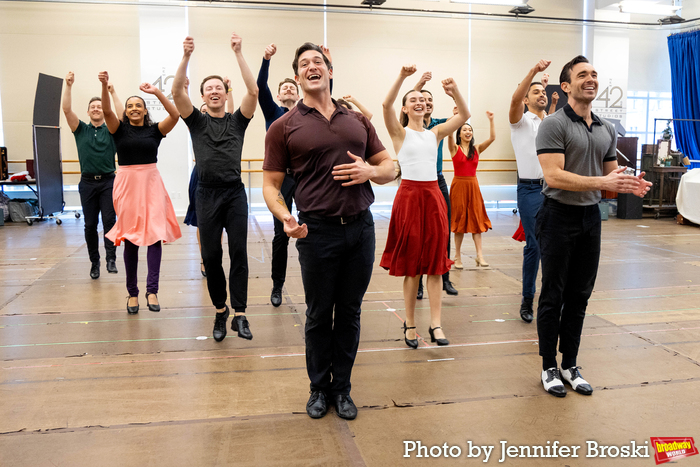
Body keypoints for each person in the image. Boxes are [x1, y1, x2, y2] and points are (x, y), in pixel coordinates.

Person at [263, 42, 395, 420]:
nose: (311, 67)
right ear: (298, 76)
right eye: (303, 64)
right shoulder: (284, 126)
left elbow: (389, 167)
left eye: (317, 61)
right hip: (316, 232)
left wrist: (372, 172)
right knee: (320, 314)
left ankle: (343, 388)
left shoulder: (357, 121)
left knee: (350, 312)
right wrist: (284, 215)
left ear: (330, 71)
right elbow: (271, 185)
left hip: (360, 230)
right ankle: (319, 388)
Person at [535, 55, 651, 397]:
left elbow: (611, 176)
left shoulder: (606, 127)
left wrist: (629, 183)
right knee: (553, 295)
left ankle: (570, 364)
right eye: (582, 74)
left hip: (590, 218)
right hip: (557, 215)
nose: (591, 79)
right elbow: (553, 175)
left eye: (594, 74)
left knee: (580, 296)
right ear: (567, 85)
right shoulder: (553, 124)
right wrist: (603, 181)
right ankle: (548, 367)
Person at [172, 33, 258, 342]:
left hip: (234, 193)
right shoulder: (196, 121)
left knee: (238, 252)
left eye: (218, 88)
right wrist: (185, 57)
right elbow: (175, 92)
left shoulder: (238, 121)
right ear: (203, 96)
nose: (214, 92)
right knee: (210, 256)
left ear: (224, 93)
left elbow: (253, 90)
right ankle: (221, 311)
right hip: (206, 194)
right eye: (208, 89)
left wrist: (238, 52)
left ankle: (240, 313)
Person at [380, 65, 469, 349]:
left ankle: (436, 324)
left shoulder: (435, 133)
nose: (419, 102)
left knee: (435, 265)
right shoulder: (399, 133)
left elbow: (465, 116)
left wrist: (454, 91)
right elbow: (385, 104)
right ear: (406, 108)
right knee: (412, 268)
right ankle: (410, 323)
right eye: (413, 100)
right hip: (409, 196)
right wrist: (403, 77)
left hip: (433, 197)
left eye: (423, 100)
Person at [99, 72, 182, 314]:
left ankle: (152, 290)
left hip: (151, 184)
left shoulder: (155, 130)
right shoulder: (119, 130)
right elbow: (106, 112)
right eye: (130, 106)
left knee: (155, 236)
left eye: (139, 105)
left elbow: (175, 115)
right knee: (131, 238)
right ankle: (132, 294)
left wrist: (156, 92)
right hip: (127, 185)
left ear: (145, 111)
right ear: (125, 112)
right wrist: (105, 86)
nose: (134, 108)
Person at [62, 71, 123, 279]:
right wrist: (68, 85)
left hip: (108, 182)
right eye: (93, 107)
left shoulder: (112, 130)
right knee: (89, 224)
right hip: (87, 183)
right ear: (88, 112)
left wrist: (112, 92)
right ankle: (94, 263)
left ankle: (111, 259)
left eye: (99, 106)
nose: (97, 109)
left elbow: (121, 115)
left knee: (109, 221)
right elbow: (66, 109)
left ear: (103, 111)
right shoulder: (80, 129)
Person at [257, 42, 301, 308]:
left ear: (298, 94)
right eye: (284, 88)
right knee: (280, 235)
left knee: (314, 230)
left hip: (304, 179)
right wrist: (266, 60)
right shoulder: (273, 112)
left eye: (292, 87)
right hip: (280, 180)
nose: (288, 89)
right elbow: (260, 88)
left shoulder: (307, 112)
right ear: (279, 94)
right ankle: (277, 285)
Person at [509, 60, 551, 324]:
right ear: (526, 99)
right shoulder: (520, 122)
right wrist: (533, 74)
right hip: (530, 189)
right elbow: (514, 98)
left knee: (554, 247)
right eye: (535, 92)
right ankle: (527, 298)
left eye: (543, 92)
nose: (542, 94)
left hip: (555, 188)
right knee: (534, 245)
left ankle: (551, 299)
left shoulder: (554, 122)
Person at [412, 72, 459, 299]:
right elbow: (408, 100)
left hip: (438, 181)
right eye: (423, 99)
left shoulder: (440, 124)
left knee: (443, 230)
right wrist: (419, 84)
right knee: (420, 234)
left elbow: (461, 117)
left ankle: (445, 278)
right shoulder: (412, 126)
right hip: (418, 183)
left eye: (430, 100)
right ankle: (419, 283)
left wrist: (454, 97)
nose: (426, 103)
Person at [183, 82, 234, 279]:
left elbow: (230, 110)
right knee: (201, 222)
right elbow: (185, 106)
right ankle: (205, 258)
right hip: (200, 176)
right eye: (202, 111)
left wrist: (229, 90)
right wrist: (186, 90)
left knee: (219, 223)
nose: (205, 113)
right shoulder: (196, 126)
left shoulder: (225, 121)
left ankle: (215, 255)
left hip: (222, 176)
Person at [447, 110, 495, 268]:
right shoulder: (454, 148)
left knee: (476, 220)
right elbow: (448, 133)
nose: (468, 132)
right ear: (459, 134)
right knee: (459, 223)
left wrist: (491, 120)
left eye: (470, 130)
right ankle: (457, 257)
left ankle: (480, 256)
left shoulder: (477, 149)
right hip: (459, 186)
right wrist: (454, 117)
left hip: (473, 186)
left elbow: (493, 138)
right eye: (464, 130)